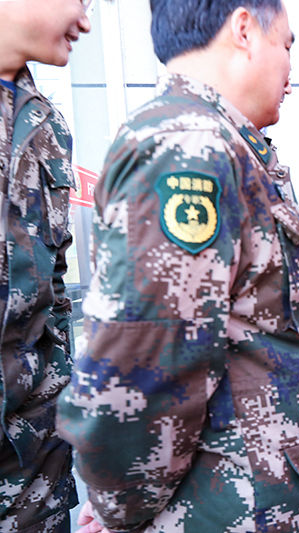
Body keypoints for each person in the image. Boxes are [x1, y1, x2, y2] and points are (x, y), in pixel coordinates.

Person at [56, 1, 299, 531]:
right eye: (287, 46)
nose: (291, 71)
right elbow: (143, 368)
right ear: (245, 29)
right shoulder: (188, 146)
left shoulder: (229, 145)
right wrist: (124, 507)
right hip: (245, 509)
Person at [0, 1, 91, 531]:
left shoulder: (46, 126)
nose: (83, 21)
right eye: (79, 0)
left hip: (32, 461)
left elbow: (50, 291)